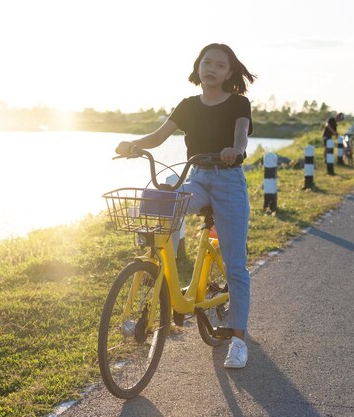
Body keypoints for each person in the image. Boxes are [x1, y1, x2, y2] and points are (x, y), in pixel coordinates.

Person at [115, 43, 255, 369]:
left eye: (220, 65)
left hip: (228, 181)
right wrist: (134, 145)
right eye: (207, 62)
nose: (212, 69)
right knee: (162, 197)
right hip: (197, 177)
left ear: (229, 72)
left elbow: (241, 135)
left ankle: (238, 341)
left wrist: (234, 150)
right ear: (198, 66)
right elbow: (159, 135)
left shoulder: (238, 103)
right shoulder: (189, 105)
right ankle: (166, 279)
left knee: (235, 265)